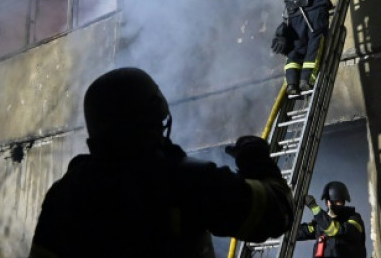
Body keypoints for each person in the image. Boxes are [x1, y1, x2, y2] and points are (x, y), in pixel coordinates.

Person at [29, 67, 294, 258]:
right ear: (156, 118)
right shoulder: (185, 181)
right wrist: (257, 161)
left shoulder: (64, 196)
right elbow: (277, 213)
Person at [296, 181, 366, 258]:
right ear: (327, 202)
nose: (339, 204)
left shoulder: (354, 219)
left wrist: (314, 207)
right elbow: (299, 232)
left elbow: (336, 230)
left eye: (341, 201)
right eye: (336, 201)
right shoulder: (321, 222)